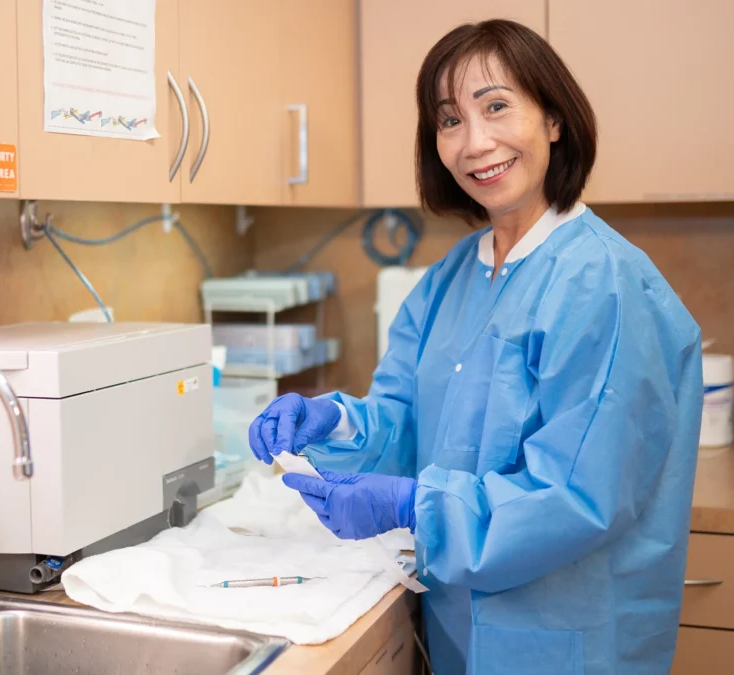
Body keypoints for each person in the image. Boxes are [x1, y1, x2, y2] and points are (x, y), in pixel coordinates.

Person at [248, 19, 703, 675]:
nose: (475, 141)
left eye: (496, 107)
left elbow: (575, 494)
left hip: (563, 642)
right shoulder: (450, 278)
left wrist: (410, 504)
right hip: (462, 630)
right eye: (449, 120)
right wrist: (334, 419)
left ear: (553, 118)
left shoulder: (604, 285)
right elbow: (404, 417)